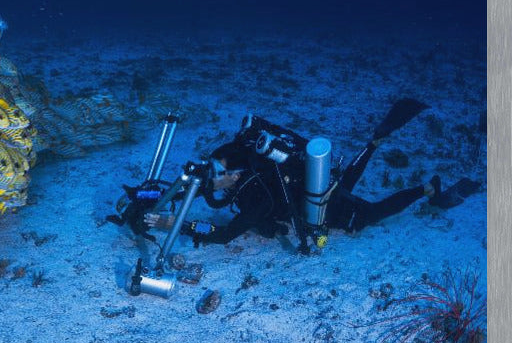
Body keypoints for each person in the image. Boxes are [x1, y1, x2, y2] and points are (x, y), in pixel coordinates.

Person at [143, 99, 482, 249]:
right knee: (342, 180)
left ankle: (427, 188)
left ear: (233, 174)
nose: (211, 179)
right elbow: (201, 188)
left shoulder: (255, 197)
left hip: (325, 206)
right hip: (313, 183)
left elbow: (220, 234)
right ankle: (374, 143)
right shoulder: (250, 166)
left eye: (217, 174)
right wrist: (151, 198)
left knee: (371, 213)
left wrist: (172, 225)